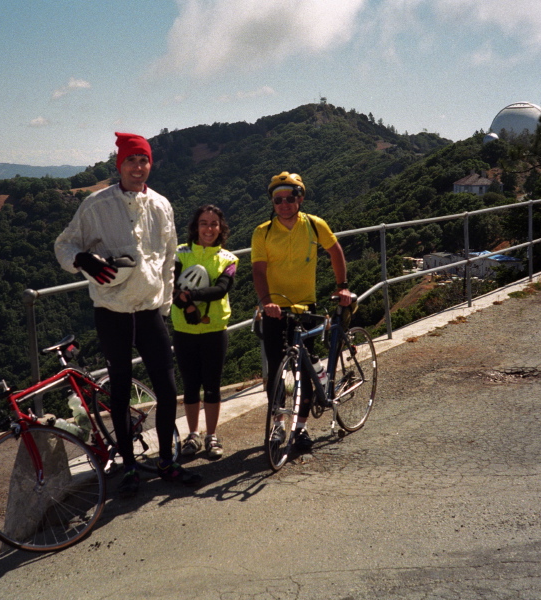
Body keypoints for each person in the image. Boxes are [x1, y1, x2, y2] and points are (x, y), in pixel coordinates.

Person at [54, 131, 201, 497]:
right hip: (113, 309)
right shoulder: (95, 204)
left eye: (144, 160)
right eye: (131, 161)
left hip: (150, 310)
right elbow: (64, 244)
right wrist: (80, 258)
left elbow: (169, 260)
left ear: (151, 164)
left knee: (167, 391)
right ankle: (130, 467)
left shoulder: (162, 205)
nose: (138, 167)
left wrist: (165, 305)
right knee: (119, 389)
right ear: (119, 165)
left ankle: (167, 460)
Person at [251, 171, 354, 452]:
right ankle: (277, 426)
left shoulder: (314, 225)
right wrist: (266, 301)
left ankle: (301, 428)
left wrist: (342, 286)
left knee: (304, 371)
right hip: (275, 310)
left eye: (289, 198)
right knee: (275, 372)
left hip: (305, 307)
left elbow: (335, 252)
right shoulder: (263, 232)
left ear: (300, 198)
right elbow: (258, 271)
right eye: (278, 199)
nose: (283, 204)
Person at [171, 205, 238, 459]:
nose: (208, 228)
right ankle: (193, 435)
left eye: (213, 224)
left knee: (211, 386)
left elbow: (221, 289)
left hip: (214, 328)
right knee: (189, 385)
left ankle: (211, 435)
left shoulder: (229, 259)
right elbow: (170, 284)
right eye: (203, 223)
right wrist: (188, 305)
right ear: (195, 227)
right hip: (183, 329)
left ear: (221, 229)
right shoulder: (180, 253)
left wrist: (190, 298)